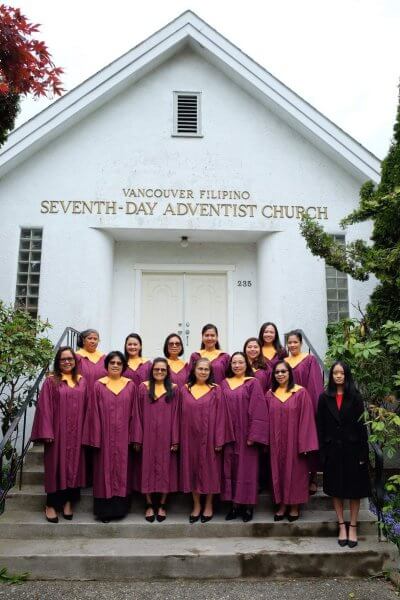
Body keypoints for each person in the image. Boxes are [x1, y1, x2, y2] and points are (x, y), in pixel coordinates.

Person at [31, 346, 88, 523]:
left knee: (75, 468)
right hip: (57, 434)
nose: (67, 362)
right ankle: (50, 504)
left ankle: (68, 502)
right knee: (56, 468)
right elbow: (45, 408)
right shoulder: (51, 381)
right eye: (63, 359)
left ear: (75, 361)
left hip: (77, 434)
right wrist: (47, 431)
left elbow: (87, 408)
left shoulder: (81, 381)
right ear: (58, 362)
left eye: (70, 359)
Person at [317, 361, 370, 548]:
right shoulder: (324, 398)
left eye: (342, 373)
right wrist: (322, 453)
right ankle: (341, 525)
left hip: (353, 450)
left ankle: (353, 526)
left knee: (355, 490)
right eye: (335, 373)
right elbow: (320, 428)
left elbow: (362, 427)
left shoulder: (356, 397)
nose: (338, 376)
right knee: (336, 490)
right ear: (331, 376)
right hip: (333, 451)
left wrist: (364, 453)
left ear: (346, 375)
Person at [83, 351, 137, 523]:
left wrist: (134, 436)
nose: (115, 365)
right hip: (104, 438)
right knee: (103, 472)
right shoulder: (99, 385)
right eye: (112, 362)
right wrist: (95, 438)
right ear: (106, 365)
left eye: (119, 363)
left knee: (122, 472)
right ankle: (104, 511)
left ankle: (120, 510)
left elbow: (135, 413)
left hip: (123, 438)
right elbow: (93, 413)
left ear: (123, 366)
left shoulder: (130, 386)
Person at [180, 358, 234, 522]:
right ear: (194, 370)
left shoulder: (216, 390)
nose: (203, 372)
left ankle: (209, 505)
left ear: (210, 372)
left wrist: (219, 440)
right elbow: (178, 415)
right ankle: (196, 505)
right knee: (192, 470)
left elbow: (222, 417)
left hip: (210, 439)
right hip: (189, 438)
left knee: (211, 471)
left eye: (206, 369)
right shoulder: (185, 389)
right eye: (200, 369)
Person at [265, 360, 318, 521]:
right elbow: (265, 419)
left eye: (283, 372)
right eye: (277, 372)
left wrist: (305, 444)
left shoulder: (300, 393)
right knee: (278, 472)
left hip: (295, 443)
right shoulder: (270, 394)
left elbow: (307, 419)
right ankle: (282, 505)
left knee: (295, 473)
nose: (280, 374)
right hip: (276, 442)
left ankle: (294, 506)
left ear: (290, 374)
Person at [220, 352, 268, 522]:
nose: (237, 365)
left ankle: (248, 507)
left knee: (247, 471)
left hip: (247, 435)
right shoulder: (224, 384)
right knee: (231, 469)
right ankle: (234, 506)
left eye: (240, 362)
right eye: (234, 362)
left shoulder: (252, 383)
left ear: (246, 365)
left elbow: (258, 409)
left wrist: (254, 435)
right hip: (228, 434)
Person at [131, 358, 180, 522]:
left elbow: (176, 416)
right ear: (151, 371)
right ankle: (149, 504)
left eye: (163, 370)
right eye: (156, 369)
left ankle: (162, 505)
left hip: (166, 438)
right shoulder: (143, 387)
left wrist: (175, 439)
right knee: (147, 469)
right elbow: (136, 414)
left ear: (167, 372)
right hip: (147, 437)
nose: (159, 372)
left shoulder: (174, 389)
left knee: (166, 470)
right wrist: (137, 437)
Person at [286, 329, 324, 494]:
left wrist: (314, 409)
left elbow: (315, 385)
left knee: (307, 441)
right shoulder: (283, 362)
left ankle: (312, 477)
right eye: (290, 342)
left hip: (305, 407)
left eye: (295, 342)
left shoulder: (309, 360)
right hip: (287, 408)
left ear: (301, 343)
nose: (292, 345)